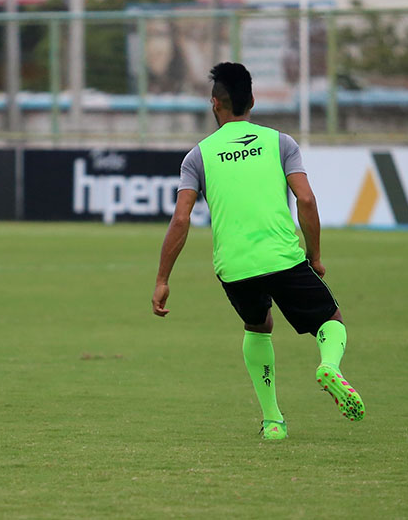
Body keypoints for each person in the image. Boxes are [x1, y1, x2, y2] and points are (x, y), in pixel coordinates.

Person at [151, 62, 364, 440]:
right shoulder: (280, 142)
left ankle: (273, 422)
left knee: (258, 325)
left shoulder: (197, 156)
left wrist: (163, 279)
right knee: (331, 319)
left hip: (234, 267)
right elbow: (307, 200)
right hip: (282, 257)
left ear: (215, 104)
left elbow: (181, 220)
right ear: (252, 100)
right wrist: (314, 256)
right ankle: (329, 365)